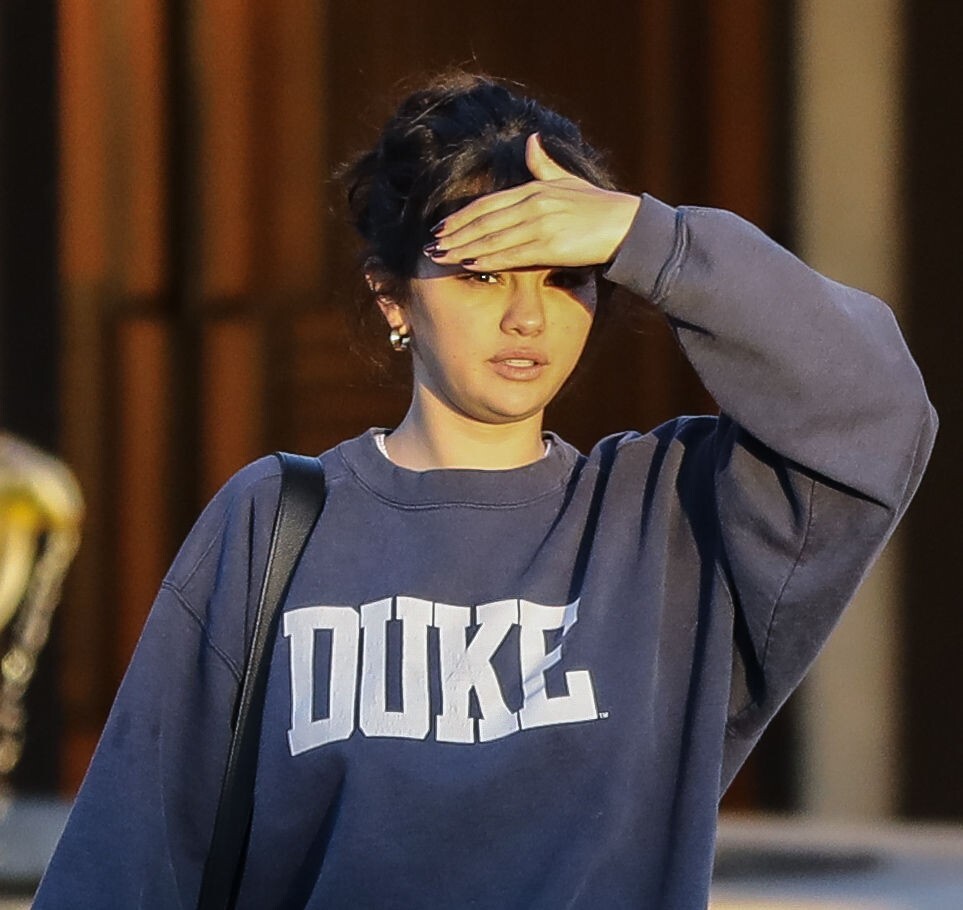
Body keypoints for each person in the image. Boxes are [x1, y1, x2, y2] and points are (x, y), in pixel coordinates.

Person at [35, 72, 936, 909]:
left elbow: (875, 408)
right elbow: (128, 858)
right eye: (480, 274)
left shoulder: (672, 519)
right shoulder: (273, 523)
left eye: (565, 276)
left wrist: (649, 238)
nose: (526, 316)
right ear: (392, 297)